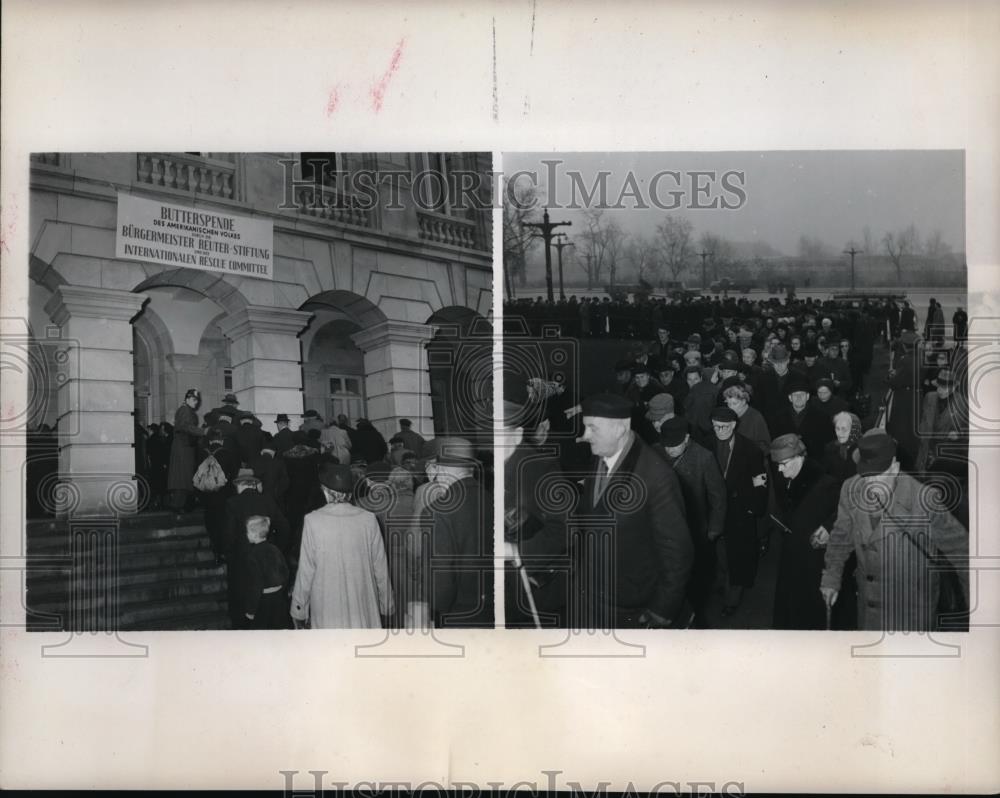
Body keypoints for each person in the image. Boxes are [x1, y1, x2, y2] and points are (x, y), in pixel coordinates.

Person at [820, 431, 969, 632]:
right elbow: (840, 537)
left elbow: (963, 552)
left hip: (911, 612)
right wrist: (832, 576)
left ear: (895, 468)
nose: (870, 484)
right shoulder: (851, 488)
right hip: (869, 607)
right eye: (866, 475)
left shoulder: (924, 500)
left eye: (878, 475)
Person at [573, 392, 693, 628]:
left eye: (592, 429)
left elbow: (677, 553)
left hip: (631, 605)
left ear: (620, 429)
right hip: (594, 594)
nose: (585, 436)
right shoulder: (601, 456)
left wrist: (662, 609)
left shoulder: (657, 477)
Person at [290, 462, 393, 628]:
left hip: (326, 605)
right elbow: (380, 568)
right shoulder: (368, 519)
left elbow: (306, 571)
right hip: (362, 603)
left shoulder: (313, 520)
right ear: (350, 493)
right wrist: (387, 605)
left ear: (325, 491)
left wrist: (299, 609)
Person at [769, 434, 843, 629]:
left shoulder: (826, 484)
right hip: (791, 556)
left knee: (810, 613)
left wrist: (828, 527)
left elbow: (844, 513)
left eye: (783, 464)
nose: (779, 469)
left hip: (814, 560)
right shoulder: (785, 478)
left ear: (799, 457)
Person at [659, 416, 726, 626]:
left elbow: (718, 495)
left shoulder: (704, 457)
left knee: (694, 579)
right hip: (664, 529)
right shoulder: (655, 452)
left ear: (687, 438)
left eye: (675, 446)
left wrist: (715, 528)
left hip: (695, 528)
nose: (669, 451)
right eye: (666, 446)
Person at [426, 437, 494, 627]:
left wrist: (437, 611)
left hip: (460, 613)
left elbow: (440, 576)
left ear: (440, 469)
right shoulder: (492, 500)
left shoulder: (437, 511)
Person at [710, 406, 769, 617]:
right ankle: (723, 580)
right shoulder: (709, 445)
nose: (720, 431)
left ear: (734, 425)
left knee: (738, 554)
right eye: (716, 426)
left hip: (741, 509)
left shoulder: (751, 449)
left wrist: (755, 508)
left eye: (724, 427)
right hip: (716, 509)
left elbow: (759, 482)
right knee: (720, 550)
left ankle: (732, 598)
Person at [235, 515, 291, 630]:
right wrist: (281, 590)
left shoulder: (252, 555)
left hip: (263, 602)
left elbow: (255, 585)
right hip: (279, 600)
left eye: (247, 532)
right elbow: (286, 572)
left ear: (254, 535)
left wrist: (250, 611)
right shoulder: (275, 549)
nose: (246, 535)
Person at [166, 388, 206, 512]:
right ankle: (177, 506)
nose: (196, 402)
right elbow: (186, 427)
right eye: (194, 400)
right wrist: (204, 431)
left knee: (183, 477)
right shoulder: (185, 410)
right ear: (187, 399)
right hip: (183, 448)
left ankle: (180, 505)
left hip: (185, 448)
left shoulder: (187, 410)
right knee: (182, 477)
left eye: (197, 400)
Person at [720, 377, 770, 456]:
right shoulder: (730, 416)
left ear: (743, 401)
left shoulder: (756, 417)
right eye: (728, 404)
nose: (731, 407)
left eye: (734, 403)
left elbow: (765, 445)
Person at [822, 411, 863, 484]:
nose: (840, 433)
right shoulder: (830, 448)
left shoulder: (862, 449)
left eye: (844, 429)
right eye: (837, 429)